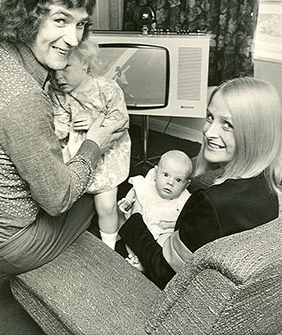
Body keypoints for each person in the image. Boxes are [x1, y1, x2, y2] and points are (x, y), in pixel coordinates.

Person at [0, 0, 128, 274]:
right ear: (26, 15)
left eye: (80, 25)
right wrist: (95, 143)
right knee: (101, 189)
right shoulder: (23, 97)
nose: (74, 39)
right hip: (11, 243)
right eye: (60, 20)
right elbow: (58, 199)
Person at [118, 76, 282, 289]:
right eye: (210, 117)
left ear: (254, 133)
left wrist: (135, 218)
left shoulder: (212, 203)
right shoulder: (267, 184)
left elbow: (164, 272)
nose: (209, 132)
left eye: (228, 124)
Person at [48, 40, 131, 249]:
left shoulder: (107, 88)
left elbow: (121, 122)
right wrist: (58, 126)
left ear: (85, 63)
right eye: (53, 70)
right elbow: (59, 125)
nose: (58, 76)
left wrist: (95, 121)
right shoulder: (57, 93)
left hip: (106, 156)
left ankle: (110, 245)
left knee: (106, 206)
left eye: (66, 67)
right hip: (76, 153)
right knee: (66, 202)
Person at [118, 150, 192, 247]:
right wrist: (128, 200)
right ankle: (131, 254)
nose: (170, 182)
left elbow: (186, 221)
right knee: (122, 218)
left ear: (186, 185)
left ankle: (151, 256)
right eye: (166, 175)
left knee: (166, 242)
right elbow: (136, 188)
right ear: (156, 173)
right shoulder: (148, 184)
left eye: (178, 180)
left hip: (161, 229)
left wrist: (170, 225)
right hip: (139, 222)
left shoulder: (184, 199)